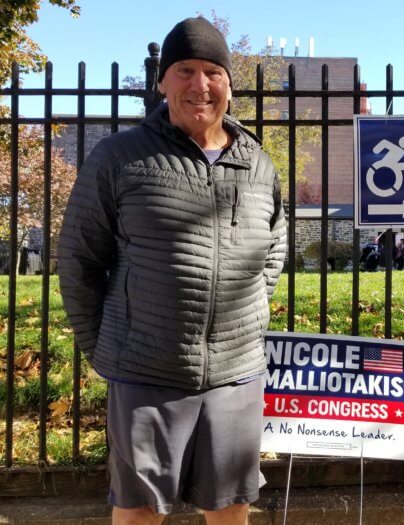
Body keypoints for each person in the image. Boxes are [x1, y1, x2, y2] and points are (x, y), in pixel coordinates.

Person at [57, 17, 287, 525]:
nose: (199, 85)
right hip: (146, 375)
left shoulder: (259, 164)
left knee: (230, 509)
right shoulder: (119, 158)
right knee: (138, 513)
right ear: (162, 81)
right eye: (184, 70)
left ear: (229, 82)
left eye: (212, 71)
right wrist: (109, 348)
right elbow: (78, 262)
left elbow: (274, 248)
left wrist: (248, 313)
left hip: (236, 375)